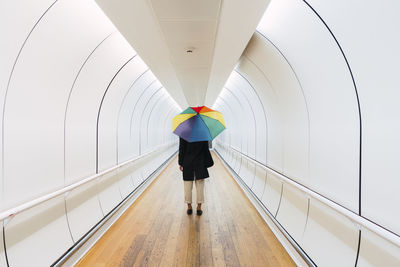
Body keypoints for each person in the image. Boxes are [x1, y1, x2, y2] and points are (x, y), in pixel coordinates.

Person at [178, 137, 214, 215]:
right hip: (200, 162)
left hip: (187, 162)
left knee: (187, 185)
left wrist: (180, 163)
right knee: (200, 185)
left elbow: (181, 149)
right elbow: (205, 150)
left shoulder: (184, 133)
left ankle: (189, 207)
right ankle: (199, 207)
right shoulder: (202, 133)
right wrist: (208, 162)